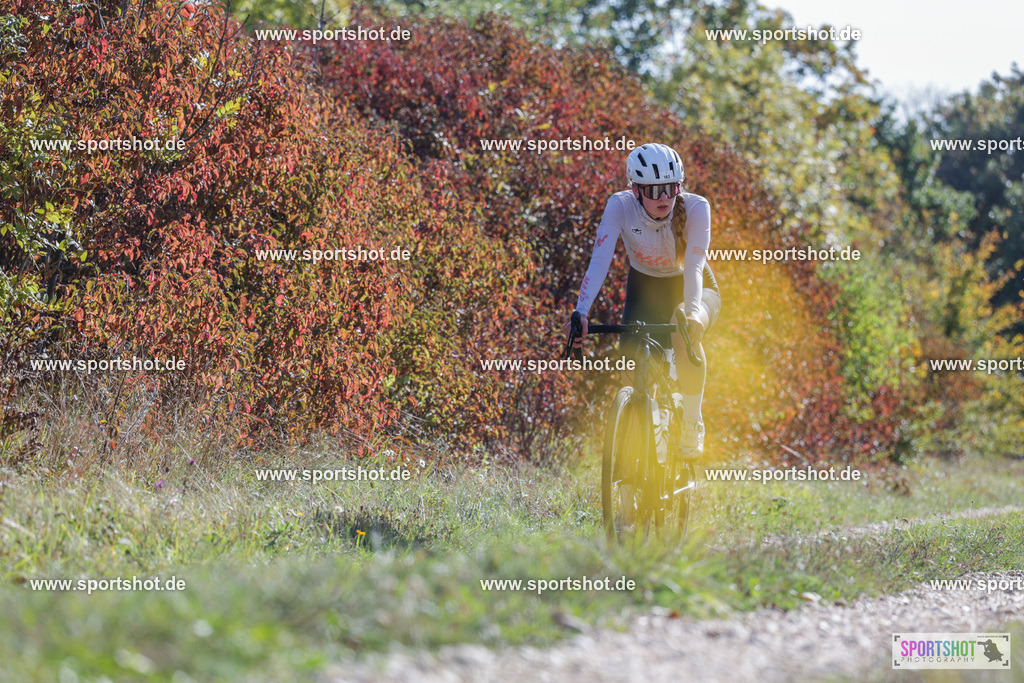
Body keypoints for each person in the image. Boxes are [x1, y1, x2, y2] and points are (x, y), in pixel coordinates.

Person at [569, 143, 721, 459]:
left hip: (693, 288)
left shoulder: (696, 207)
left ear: (679, 185)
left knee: (682, 327)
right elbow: (600, 260)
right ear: (636, 190)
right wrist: (581, 311)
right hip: (645, 288)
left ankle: (692, 424)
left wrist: (692, 314)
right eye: (653, 191)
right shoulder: (619, 206)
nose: (663, 198)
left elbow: (693, 266)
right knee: (630, 374)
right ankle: (635, 463)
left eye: (669, 188)